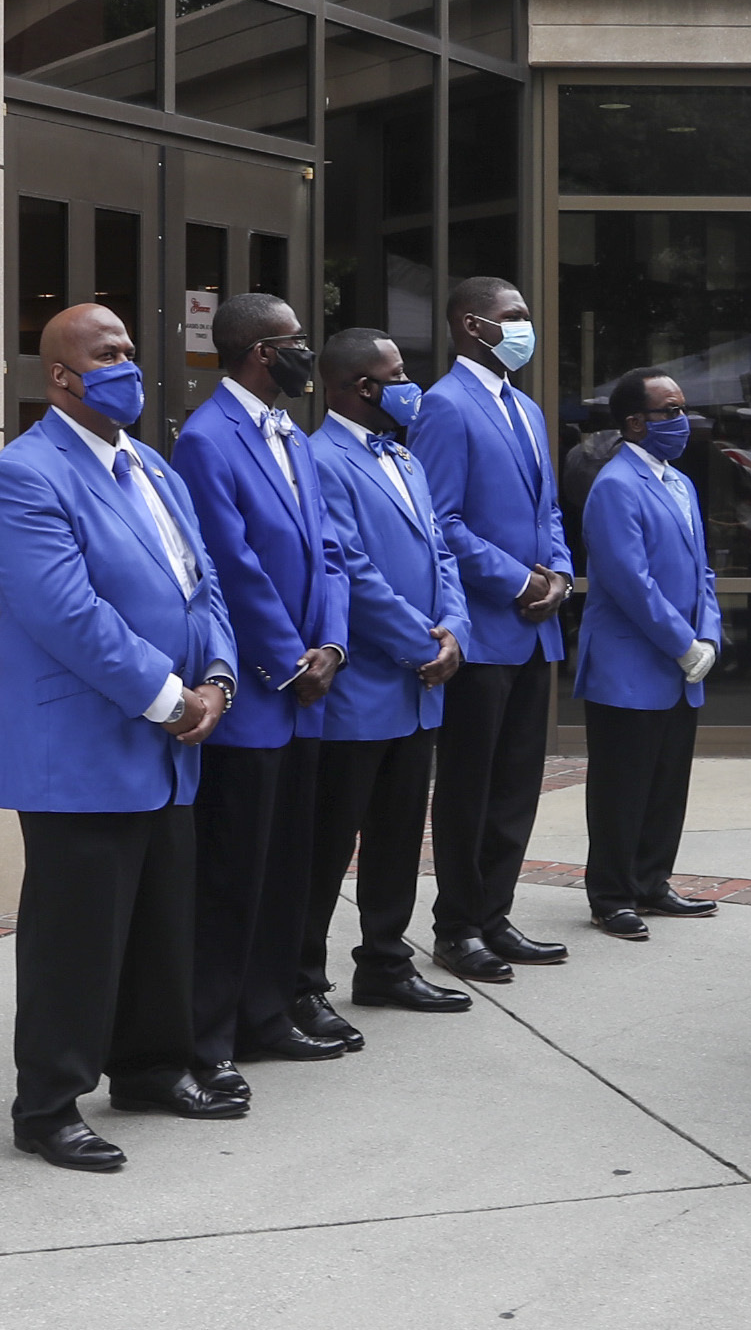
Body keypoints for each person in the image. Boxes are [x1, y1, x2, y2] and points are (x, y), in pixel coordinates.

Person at [0, 303, 242, 1172]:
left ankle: (150, 1067)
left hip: (170, 740)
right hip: (82, 746)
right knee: (77, 934)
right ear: (62, 375)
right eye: (108, 353)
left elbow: (203, 585)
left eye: (130, 348)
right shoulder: (24, 474)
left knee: (162, 919)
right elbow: (64, 612)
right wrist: (169, 697)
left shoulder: (155, 467)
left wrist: (218, 678)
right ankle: (48, 1102)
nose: (128, 362)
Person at [172, 293, 354, 1102]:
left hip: (309, 688)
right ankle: (209, 1036)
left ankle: (269, 1010)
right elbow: (232, 568)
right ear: (258, 352)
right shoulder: (209, 439)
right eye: (296, 342)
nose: (306, 354)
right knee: (234, 874)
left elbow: (332, 549)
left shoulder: (292, 437)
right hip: (258, 692)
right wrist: (289, 659)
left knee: (289, 863)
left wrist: (334, 646)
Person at [302, 329, 475, 1020]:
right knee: (328, 845)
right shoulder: (320, 459)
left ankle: (384, 963)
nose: (412, 385)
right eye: (398, 373)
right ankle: (303, 981)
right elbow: (350, 572)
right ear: (361, 386)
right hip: (362, 689)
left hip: (418, 689)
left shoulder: (406, 457)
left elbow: (442, 556)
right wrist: (419, 643)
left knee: (400, 837)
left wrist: (456, 629)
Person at [409, 277, 577, 984]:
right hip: (484, 631)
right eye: (513, 318)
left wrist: (562, 576)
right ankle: (457, 927)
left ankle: (494, 911)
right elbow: (440, 522)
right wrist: (519, 580)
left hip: (537, 632)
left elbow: (550, 513)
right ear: (473, 326)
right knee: (470, 787)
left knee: (516, 784)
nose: (525, 328)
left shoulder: (529, 410)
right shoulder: (445, 406)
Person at [575, 367, 724, 941]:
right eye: (670, 411)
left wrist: (707, 635)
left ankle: (652, 881)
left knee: (666, 779)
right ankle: (611, 895)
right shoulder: (615, 485)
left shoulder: (679, 483)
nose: (683, 422)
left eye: (683, 409)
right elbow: (629, 581)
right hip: (630, 663)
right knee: (622, 784)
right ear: (635, 422)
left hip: (682, 662)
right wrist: (681, 642)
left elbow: (703, 569)